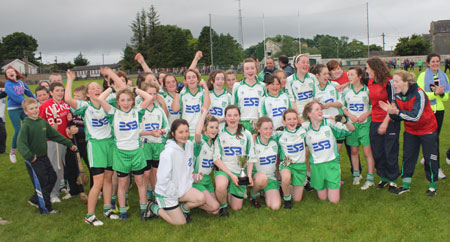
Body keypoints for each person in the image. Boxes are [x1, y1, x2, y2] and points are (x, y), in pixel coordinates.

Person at [94, 74, 154, 221]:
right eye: (122, 100)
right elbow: (100, 99)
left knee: (140, 182)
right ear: (118, 102)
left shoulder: (137, 111)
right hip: (121, 153)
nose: (126, 103)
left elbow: (149, 98)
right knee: (122, 183)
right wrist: (112, 88)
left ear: (133, 101)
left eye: (128, 100)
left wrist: (133, 89)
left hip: (136, 152)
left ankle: (143, 209)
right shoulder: (114, 113)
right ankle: (122, 211)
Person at [65, 69, 120, 226]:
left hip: (109, 143)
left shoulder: (108, 102)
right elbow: (68, 99)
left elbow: (122, 88)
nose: (96, 89)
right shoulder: (84, 106)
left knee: (109, 177)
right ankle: (90, 215)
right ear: (87, 94)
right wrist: (69, 80)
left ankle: (107, 209)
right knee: (98, 181)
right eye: (92, 88)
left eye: (98, 87)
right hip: (95, 145)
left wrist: (111, 78)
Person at [379, 70, 439, 196]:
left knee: (430, 157)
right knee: (408, 157)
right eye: (393, 81)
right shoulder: (397, 95)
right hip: (411, 130)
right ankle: (405, 185)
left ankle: (433, 187)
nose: (394, 84)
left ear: (406, 82)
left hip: (427, 129)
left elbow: (415, 116)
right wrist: (392, 112)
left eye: (397, 81)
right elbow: (399, 116)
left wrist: (396, 113)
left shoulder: (419, 93)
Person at [17, 98, 77, 214]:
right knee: (43, 182)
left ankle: (35, 199)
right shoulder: (26, 126)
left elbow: (54, 135)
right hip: (34, 159)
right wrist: (29, 156)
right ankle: (46, 209)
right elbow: (21, 143)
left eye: (36, 108)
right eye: (31, 109)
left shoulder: (41, 122)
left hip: (44, 157)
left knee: (53, 177)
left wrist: (69, 143)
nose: (34, 111)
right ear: (26, 112)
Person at [145, 119, 206, 225]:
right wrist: (174, 193)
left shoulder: (189, 145)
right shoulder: (168, 153)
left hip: (182, 188)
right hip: (167, 193)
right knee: (180, 222)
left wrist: (193, 176)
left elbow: (188, 166)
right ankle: (153, 207)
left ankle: (183, 209)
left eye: (186, 131)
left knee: (201, 198)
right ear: (173, 134)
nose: (184, 135)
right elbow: (163, 179)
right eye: (181, 132)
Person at [302, 101, 354, 203]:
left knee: (334, 200)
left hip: (331, 164)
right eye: (317, 109)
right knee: (323, 199)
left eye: (320, 109)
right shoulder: (305, 128)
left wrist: (345, 121)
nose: (320, 111)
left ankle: (334, 181)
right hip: (316, 167)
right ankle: (323, 183)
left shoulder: (329, 124)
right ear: (309, 113)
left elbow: (351, 130)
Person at [213, 105, 257, 216]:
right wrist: (231, 175)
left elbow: (251, 157)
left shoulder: (246, 135)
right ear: (225, 117)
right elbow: (216, 159)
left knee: (236, 208)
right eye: (229, 115)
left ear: (240, 117)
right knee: (221, 185)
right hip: (224, 170)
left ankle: (227, 192)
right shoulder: (219, 134)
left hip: (239, 172)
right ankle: (223, 206)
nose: (232, 118)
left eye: (235, 115)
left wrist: (249, 175)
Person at [366, 57, 400, 192]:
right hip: (375, 120)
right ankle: (383, 177)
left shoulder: (389, 82)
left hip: (389, 121)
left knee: (390, 151)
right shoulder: (369, 81)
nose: (366, 70)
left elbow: (393, 103)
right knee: (378, 152)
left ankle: (393, 180)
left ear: (375, 68)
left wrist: (386, 122)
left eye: (368, 67)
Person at [39, 81, 73, 203]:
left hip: (65, 140)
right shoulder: (45, 106)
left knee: (63, 167)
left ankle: (63, 188)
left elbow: (68, 123)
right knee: (55, 167)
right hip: (52, 141)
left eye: (62, 90)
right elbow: (39, 124)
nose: (60, 93)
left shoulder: (65, 104)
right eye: (57, 91)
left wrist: (69, 121)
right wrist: (48, 129)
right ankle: (53, 194)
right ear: (51, 92)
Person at [417, 53, 449, 179]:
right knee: (432, 139)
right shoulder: (423, 76)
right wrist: (434, 94)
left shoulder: (443, 75)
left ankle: (427, 157)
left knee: (434, 138)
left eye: (437, 61)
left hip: (439, 110)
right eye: (433, 61)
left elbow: (447, 95)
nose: (435, 63)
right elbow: (420, 94)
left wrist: (441, 94)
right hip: (427, 111)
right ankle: (437, 167)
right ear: (428, 63)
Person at [341, 67, 375, 189]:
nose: (349, 77)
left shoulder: (367, 90)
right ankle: (357, 175)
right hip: (351, 124)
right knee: (354, 151)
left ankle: (370, 177)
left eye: (352, 75)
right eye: (348, 75)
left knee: (367, 151)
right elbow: (343, 107)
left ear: (360, 76)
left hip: (365, 123)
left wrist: (365, 115)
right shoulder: (345, 91)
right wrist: (350, 115)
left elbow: (373, 106)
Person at [139, 83, 170, 203]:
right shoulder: (140, 111)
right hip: (145, 145)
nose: (152, 96)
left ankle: (158, 196)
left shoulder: (159, 111)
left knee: (157, 173)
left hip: (158, 145)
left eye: (154, 94)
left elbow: (167, 127)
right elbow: (138, 131)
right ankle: (146, 194)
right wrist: (150, 133)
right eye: (149, 94)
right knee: (146, 174)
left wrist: (161, 131)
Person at [275, 109, 307, 209]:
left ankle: (287, 187)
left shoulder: (303, 130)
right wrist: (254, 136)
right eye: (289, 119)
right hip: (287, 162)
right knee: (286, 178)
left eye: (294, 119)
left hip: (300, 165)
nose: (292, 121)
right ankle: (287, 199)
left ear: (298, 120)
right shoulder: (279, 133)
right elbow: (265, 136)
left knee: (297, 199)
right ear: (284, 121)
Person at [247, 117, 281, 210]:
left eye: (271, 128)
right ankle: (253, 196)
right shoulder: (253, 143)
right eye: (265, 129)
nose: (269, 131)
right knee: (262, 178)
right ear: (259, 129)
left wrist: (279, 173)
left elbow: (278, 158)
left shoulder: (274, 142)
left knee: (275, 207)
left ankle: (263, 192)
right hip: (258, 177)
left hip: (271, 178)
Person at [4, 66, 35, 163]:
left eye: (11, 71)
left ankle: (29, 149)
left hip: (24, 108)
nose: (10, 73)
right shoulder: (8, 85)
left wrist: (37, 101)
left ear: (16, 72)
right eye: (8, 72)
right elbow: (15, 97)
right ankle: (13, 152)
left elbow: (30, 93)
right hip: (13, 109)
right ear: (7, 76)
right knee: (18, 130)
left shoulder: (21, 83)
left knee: (29, 128)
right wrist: (28, 102)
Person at [192, 108, 220, 214]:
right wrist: (204, 113)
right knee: (215, 207)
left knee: (215, 211)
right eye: (211, 127)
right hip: (198, 179)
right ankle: (186, 205)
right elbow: (197, 133)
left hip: (207, 179)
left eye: (216, 127)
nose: (214, 130)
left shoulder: (213, 143)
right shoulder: (200, 142)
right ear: (205, 128)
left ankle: (199, 202)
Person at [172, 69, 211, 140]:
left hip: (199, 132)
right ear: (186, 81)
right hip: (186, 132)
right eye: (189, 78)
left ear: (198, 80)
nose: (191, 79)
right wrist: (177, 91)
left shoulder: (202, 92)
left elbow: (206, 108)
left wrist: (205, 87)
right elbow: (175, 109)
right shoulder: (182, 93)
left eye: (194, 77)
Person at [232, 58, 266, 133]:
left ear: (256, 70)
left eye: (252, 68)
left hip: (259, 123)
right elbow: (233, 106)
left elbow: (265, 106)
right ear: (243, 71)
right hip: (243, 122)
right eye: (247, 69)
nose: (250, 71)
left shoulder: (263, 86)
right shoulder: (237, 86)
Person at [0, 83, 6, 154]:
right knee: (3, 134)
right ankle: (2, 150)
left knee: (3, 134)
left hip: (2, 117)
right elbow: (5, 94)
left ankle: (2, 150)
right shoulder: (2, 94)